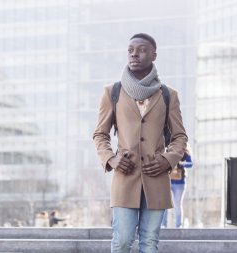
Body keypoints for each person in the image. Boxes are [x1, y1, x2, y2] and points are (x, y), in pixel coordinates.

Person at [93, 33, 187, 253]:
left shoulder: (167, 95)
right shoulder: (112, 92)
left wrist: (167, 159)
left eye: (142, 49)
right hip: (125, 177)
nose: (134, 54)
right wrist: (111, 159)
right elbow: (100, 134)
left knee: (150, 242)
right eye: (130, 50)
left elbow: (180, 136)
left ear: (154, 55)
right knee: (123, 240)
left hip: (157, 178)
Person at [162, 144, 193, 228]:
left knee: (177, 204)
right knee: (165, 204)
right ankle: (163, 224)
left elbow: (190, 164)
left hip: (180, 183)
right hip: (168, 182)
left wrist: (182, 164)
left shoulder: (184, 153)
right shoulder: (167, 151)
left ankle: (178, 225)